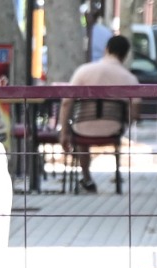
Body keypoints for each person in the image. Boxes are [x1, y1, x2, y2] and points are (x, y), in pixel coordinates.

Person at [58, 34, 139, 193]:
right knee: (91, 128)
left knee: (82, 132)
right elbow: (135, 112)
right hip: (113, 130)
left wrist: (64, 132)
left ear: (106, 49)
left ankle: (86, 178)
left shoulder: (84, 71)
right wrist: (124, 122)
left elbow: (67, 102)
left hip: (82, 129)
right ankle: (115, 177)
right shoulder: (129, 78)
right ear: (125, 55)